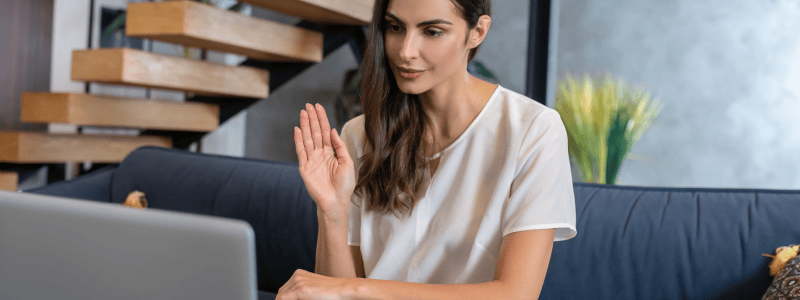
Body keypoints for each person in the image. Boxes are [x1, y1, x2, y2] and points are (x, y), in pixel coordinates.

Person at [283, 0, 576, 298]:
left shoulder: (533, 130)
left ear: (477, 32)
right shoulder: (360, 134)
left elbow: (516, 294)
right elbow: (333, 294)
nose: (405, 51)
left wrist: (355, 288)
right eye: (395, 27)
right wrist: (332, 211)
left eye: (432, 31)